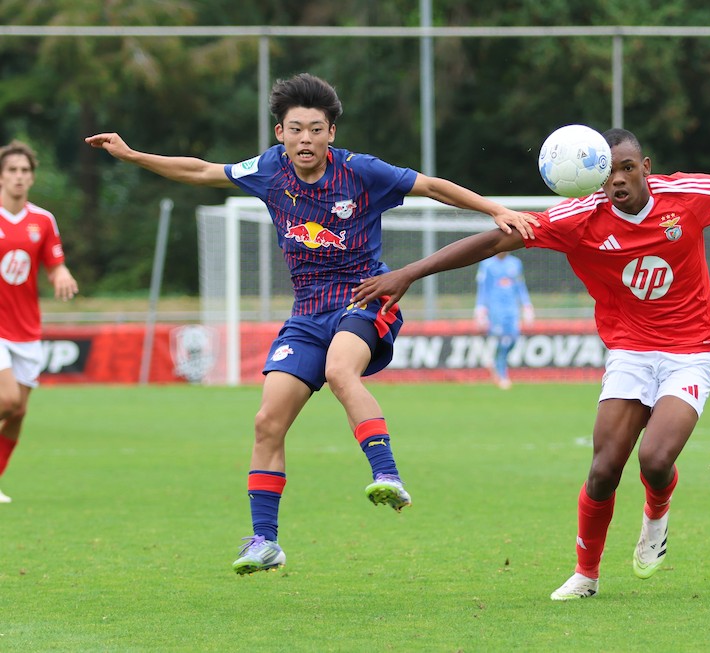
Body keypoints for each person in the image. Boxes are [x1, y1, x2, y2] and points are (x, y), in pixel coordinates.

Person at [351, 128, 710, 600]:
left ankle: (656, 515)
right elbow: (496, 239)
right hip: (629, 351)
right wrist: (409, 273)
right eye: (608, 173)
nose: (618, 180)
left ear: (645, 167)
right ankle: (586, 574)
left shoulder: (689, 196)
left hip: (693, 350)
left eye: (626, 168)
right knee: (603, 468)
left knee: (654, 458)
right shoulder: (577, 219)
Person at [85, 73, 535, 574]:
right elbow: (200, 171)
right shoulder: (268, 170)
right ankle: (264, 540)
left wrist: (495, 208)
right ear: (280, 133)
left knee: (342, 371)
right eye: (295, 129)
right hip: (307, 313)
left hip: (366, 297)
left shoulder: (362, 172)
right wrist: (132, 156)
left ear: (331, 134)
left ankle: (387, 473)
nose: (305, 139)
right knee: (267, 421)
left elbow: (431, 186)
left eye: (316, 129)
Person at [0, 140, 79, 504]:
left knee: (18, 412)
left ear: (32, 178)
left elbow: (54, 262)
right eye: (12, 170)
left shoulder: (42, 220)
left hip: (26, 326)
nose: (19, 177)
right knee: (7, 398)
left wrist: (61, 275)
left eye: (25, 171)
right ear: (2, 176)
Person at [474, 252, 534, 389]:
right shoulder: (487, 264)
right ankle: (502, 374)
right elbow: (483, 288)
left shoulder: (515, 263)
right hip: (495, 309)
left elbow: (520, 286)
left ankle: (495, 363)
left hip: (512, 309)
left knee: (514, 338)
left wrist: (526, 305)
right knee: (501, 339)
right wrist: (480, 308)